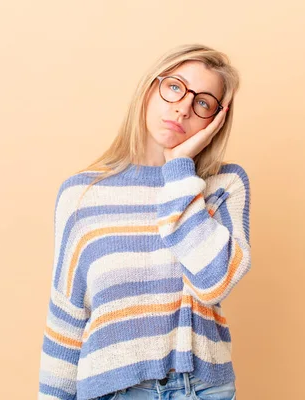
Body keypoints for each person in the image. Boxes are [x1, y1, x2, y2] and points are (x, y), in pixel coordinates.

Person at [37, 43, 250, 400]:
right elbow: (66, 316)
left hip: (200, 389)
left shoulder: (223, 185)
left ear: (216, 120)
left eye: (202, 102)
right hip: (113, 391)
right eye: (174, 87)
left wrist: (179, 169)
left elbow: (214, 282)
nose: (183, 108)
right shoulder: (82, 194)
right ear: (150, 89)